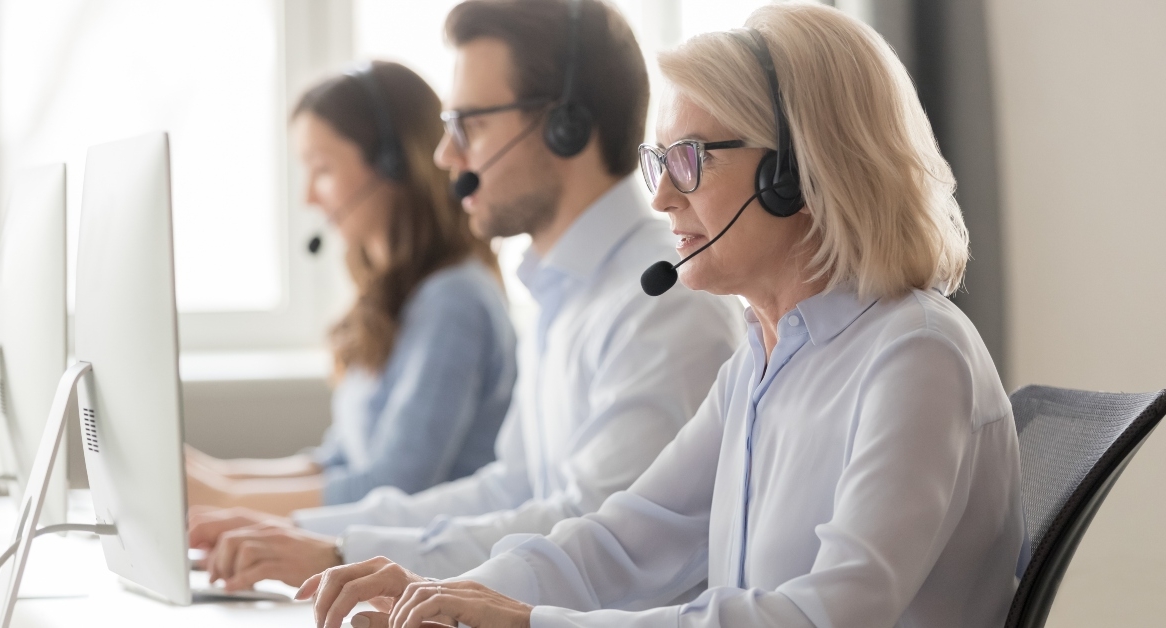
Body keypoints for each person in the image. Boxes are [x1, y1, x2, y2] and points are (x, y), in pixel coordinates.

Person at [296, 4, 1028, 628]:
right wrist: (461, 594)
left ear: (795, 172)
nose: (662, 199)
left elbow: (824, 615)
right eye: (660, 162)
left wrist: (529, 621)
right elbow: (623, 539)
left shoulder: (916, 356)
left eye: (689, 161)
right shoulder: (765, 359)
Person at [187, 0, 745, 593]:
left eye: (470, 126)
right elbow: (511, 487)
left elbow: (594, 532)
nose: (445, 156)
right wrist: (306, 536)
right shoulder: (565, 292)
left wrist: (338, 552)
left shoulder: (662, 302)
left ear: (566, 126)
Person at [185, 61, 518, 519]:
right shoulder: (397, 295)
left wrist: (224, 502)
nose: (308, 198)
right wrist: (215, 477)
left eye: (321, 169)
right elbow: (339, 462)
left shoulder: (453, 301)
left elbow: (395, 483)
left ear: (393, 163)